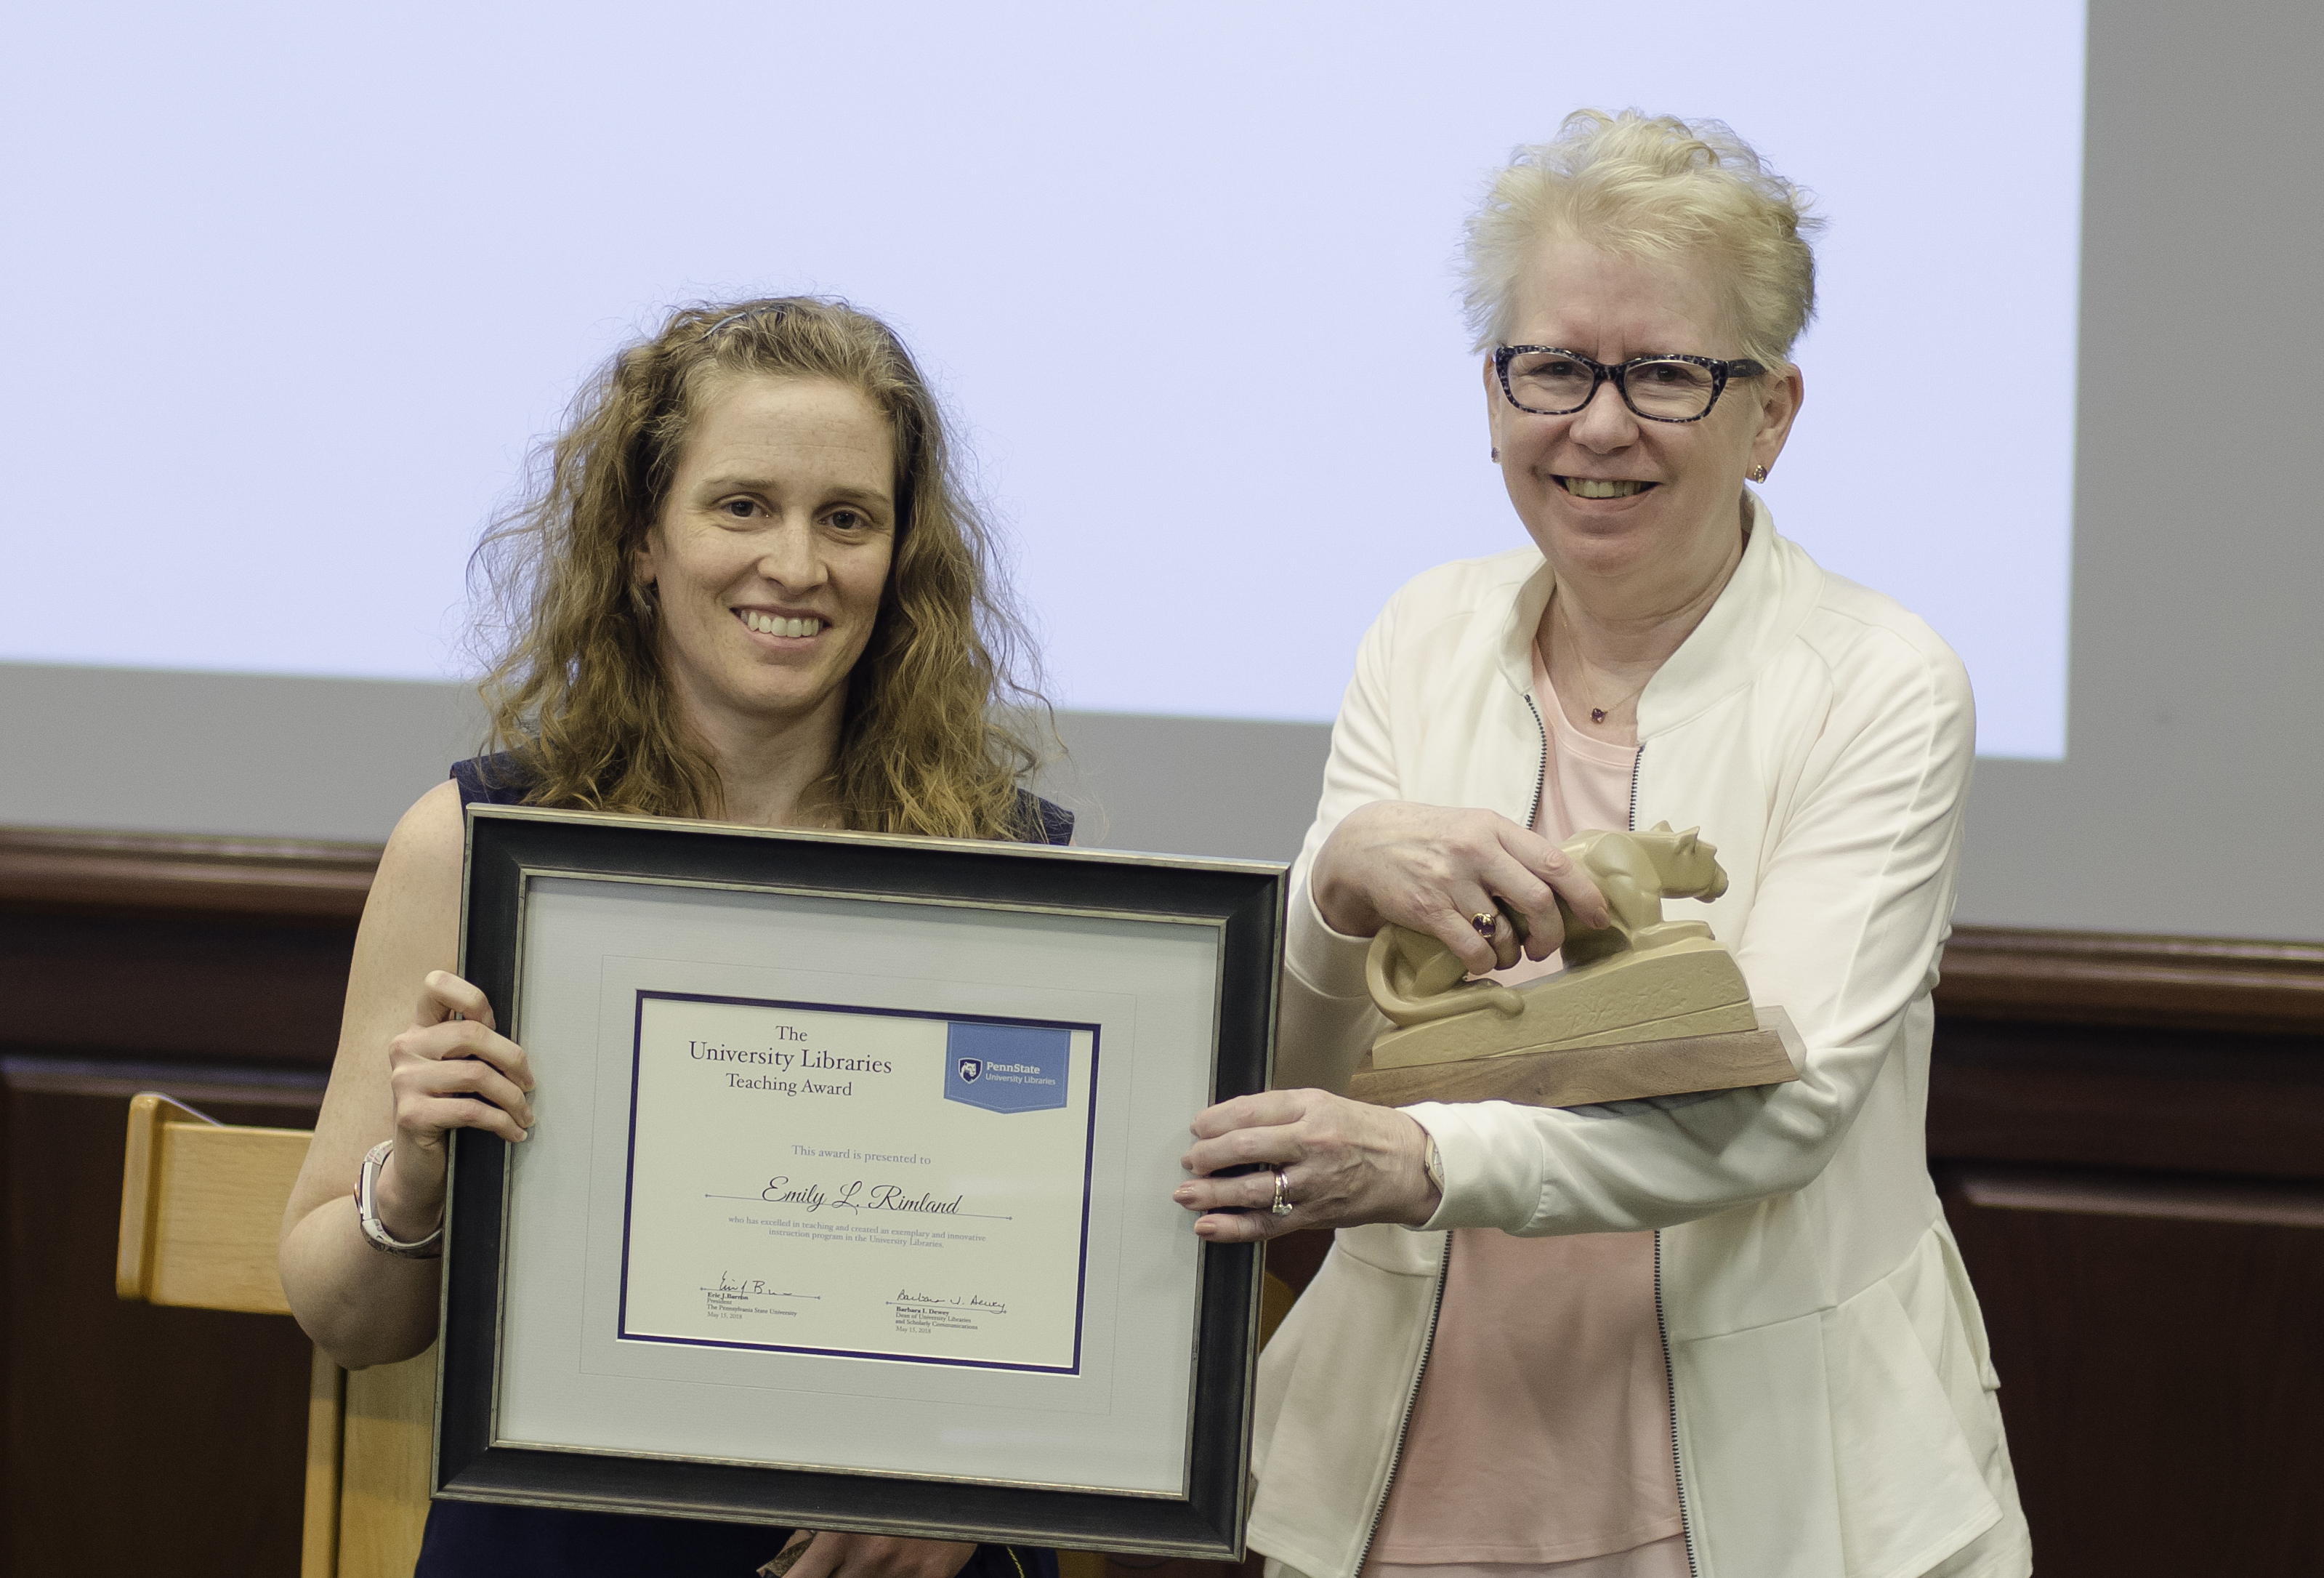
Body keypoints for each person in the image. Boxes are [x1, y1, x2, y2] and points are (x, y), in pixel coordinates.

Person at [1171, 113, 2030, 1578]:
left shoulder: (1885, 681)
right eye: (1555, 366)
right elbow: (1313, 1064)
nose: (1600, 424)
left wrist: (1421, 1162)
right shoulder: (1419, 634)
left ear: (1773, 414)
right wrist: (1331, 886)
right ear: (1494, 393)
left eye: (1669, 374)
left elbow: (1783, 1111)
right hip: (1402, 1470)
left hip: (1767, 1491)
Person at [279, 297, 1068, 1578]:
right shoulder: (473, 845)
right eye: (742, 506)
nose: (797, 566)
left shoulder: (1010, 874)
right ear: (643, 540)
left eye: (848, 519)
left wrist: (979, 1473)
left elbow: (1073, 1296)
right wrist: (418, 1182)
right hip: (556, 1538)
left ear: (901, 556)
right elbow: (339, 1312)